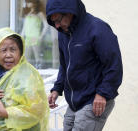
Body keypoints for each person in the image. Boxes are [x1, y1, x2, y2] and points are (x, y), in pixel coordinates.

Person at [46, 0, 123, 131]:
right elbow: (65, 65)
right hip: (74, 102)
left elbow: (114, 66)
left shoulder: (98, 29)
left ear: (70, 12)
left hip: (94, 99)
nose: (57, 26)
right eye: (53, 22)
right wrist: (57, 89)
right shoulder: (63, 33)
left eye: (58, 19)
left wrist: (103, 93)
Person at [0, 27, 49, 131]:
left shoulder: (28, 76)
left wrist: (7, 113)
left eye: (13, 49)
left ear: (21, 52)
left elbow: (38, 109)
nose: (8, 55)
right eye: (3, 50)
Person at [20, 0, 48, 68]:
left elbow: (46, 25)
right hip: (27, 37)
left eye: (29, 2)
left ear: (34, 3)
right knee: (26, 57)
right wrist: (21, 36)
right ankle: (27, 71)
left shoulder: (39, 14)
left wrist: (41, 36)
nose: (27, 4)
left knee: (37, 56)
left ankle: (40, 69)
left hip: (34, 37)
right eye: (27, 2)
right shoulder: (27, 14)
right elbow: (24, 26)